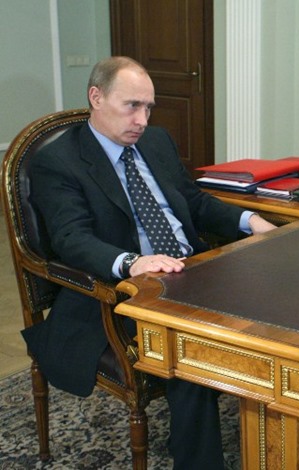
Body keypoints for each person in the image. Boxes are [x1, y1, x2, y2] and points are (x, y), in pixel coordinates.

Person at [21, 56, 276, 469]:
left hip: (193, 270)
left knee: (277, 312)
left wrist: (252, 221)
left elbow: (193, 202)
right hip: (125, 292)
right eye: (132, 106)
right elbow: (72, 239)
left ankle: (278, 442)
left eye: (148, 107)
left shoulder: (155, 142)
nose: (142, 120)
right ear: (96, 97)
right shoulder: (59, 161)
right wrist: (132, 262)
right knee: (192, 354)